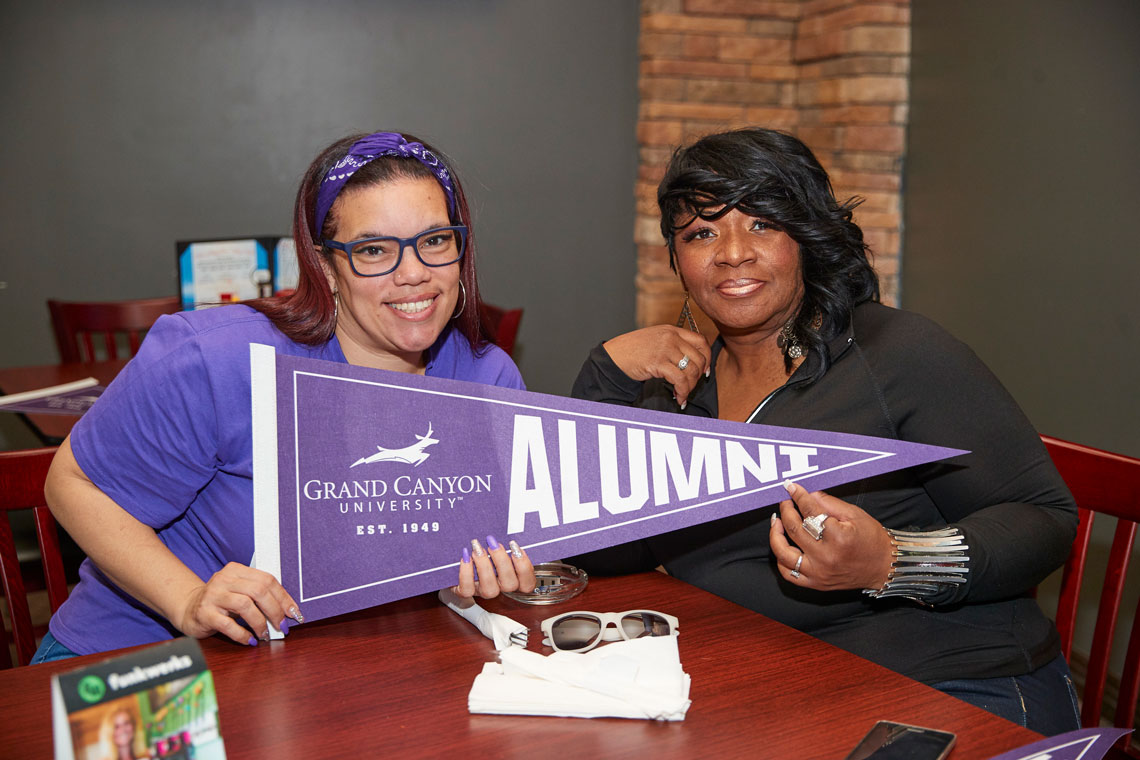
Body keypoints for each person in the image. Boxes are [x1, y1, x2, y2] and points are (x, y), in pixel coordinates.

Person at [569, 128, 1080, 734]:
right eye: (701, 233)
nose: (731, 252)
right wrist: (606, 375)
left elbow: (1043, 517)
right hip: (785, 688)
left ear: (807, 237)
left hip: (957, 683)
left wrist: (893, 561)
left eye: (762, 224)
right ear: (677, 259)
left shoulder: (897, 354)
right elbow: (606, 546)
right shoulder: (679, 391)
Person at [33, 131, 534, 662]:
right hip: (144, 656)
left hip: (329, 667)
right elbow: (73, 483)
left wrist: (467, 579)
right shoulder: (218, 360)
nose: (413, 273)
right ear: (325, 267)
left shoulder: (487, 382)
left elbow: (431, 555)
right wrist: (187, 599)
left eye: (435, 240)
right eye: (373, 250)